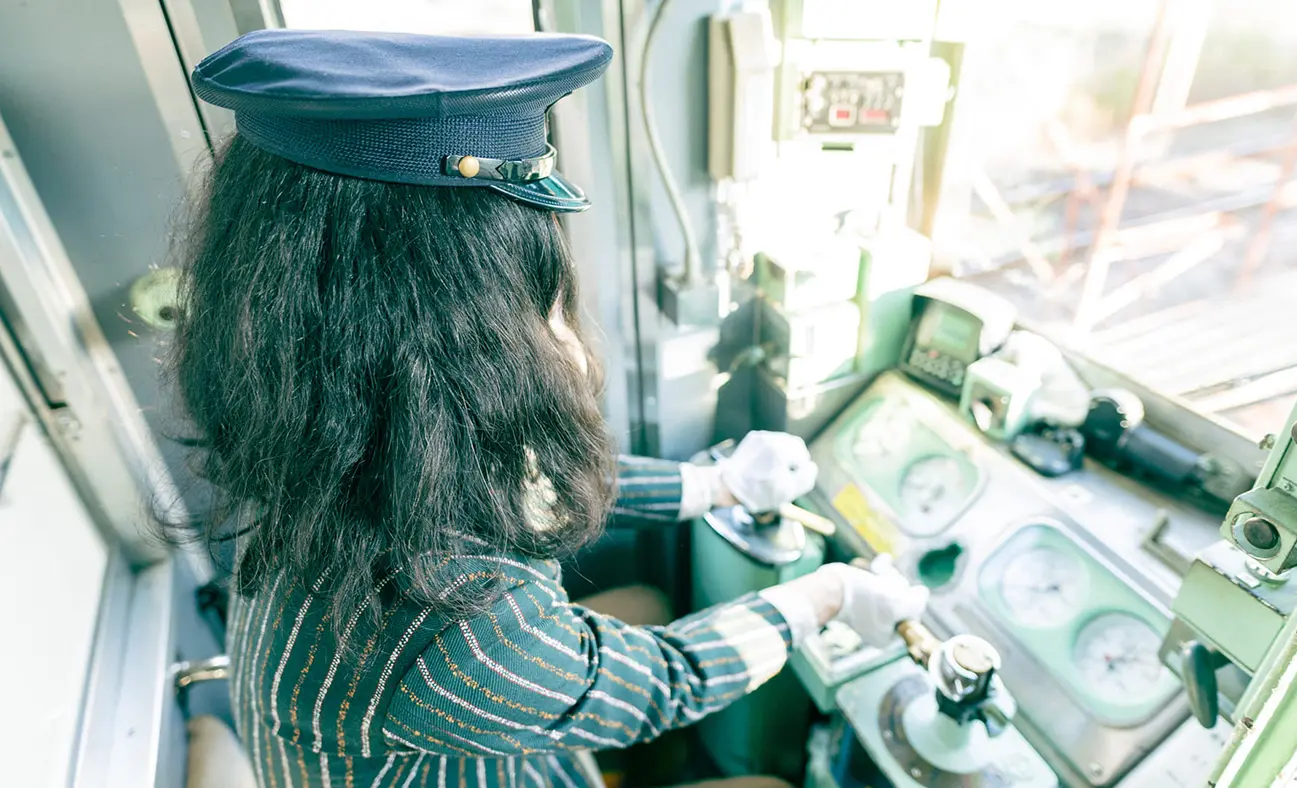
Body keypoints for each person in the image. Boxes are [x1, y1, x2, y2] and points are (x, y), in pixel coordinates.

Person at [167, 28, 930, 788]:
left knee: (650, 598)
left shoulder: (336, 434)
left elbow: (520, 478)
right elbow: (666, 682)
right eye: (532, 299)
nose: (557, 331)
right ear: (442, 332)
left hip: (474, 742)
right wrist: (828, 595)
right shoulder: (458, 637)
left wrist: (715, 487)